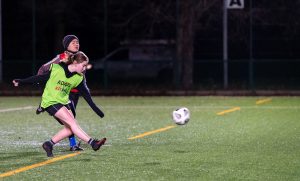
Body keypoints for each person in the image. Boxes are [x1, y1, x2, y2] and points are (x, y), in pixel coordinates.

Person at [13, 51, 106, 157]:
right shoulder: (56, 69)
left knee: (70, 128)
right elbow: (39, 78)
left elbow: (87, 96)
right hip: (50, 101)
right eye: (83, 65)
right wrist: (21, 81)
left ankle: (49, 144)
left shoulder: (78, 78)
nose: (84, 68)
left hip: (63, 102)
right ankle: (93, 143)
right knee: (73, 123)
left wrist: (96, 110)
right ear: (75, 62)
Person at [37, 35, 85, 151]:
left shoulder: (80, 57)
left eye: (77, 42)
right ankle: (72, 145)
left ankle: (71, 145)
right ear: (66, 45)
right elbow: (43, 69)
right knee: (70, 120)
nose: (76, 44)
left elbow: (81, 76)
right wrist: (42, 88)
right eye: (73, 42)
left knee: (70, 120)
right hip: (61, 93)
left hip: (74, 93)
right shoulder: (61, 58)